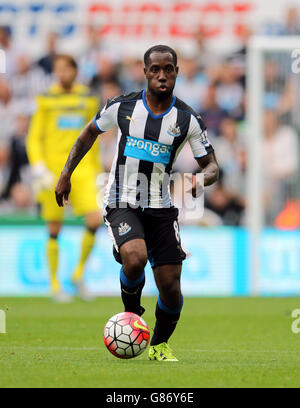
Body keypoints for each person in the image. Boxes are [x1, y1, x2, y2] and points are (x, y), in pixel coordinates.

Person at [55, 45, 219, 360]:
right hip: (121, 201)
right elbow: (88, 133)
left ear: (176, 72)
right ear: (144, 72)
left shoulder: (187, 119)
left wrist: (201, 179)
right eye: (155, 69)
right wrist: (66, 174)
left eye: (167, 69)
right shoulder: (122, 107)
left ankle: (158, 345)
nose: (161, 75)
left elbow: (211, 165)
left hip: (161, 207)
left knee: (170, 287)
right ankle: (132, 318)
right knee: (134, 257)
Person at [27, 54, 102, 302]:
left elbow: (94, 135)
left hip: (83, 169)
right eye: (57, 70)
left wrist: (97, 166)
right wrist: (38, 166)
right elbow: (34, 136)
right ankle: (54, 284)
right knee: (54, 227)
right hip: (52, 170)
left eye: (64, 69)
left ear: (74, 70)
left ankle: (78, 273)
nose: (60, 74)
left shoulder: (88, 98)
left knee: (94, 218)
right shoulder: (46, 99)